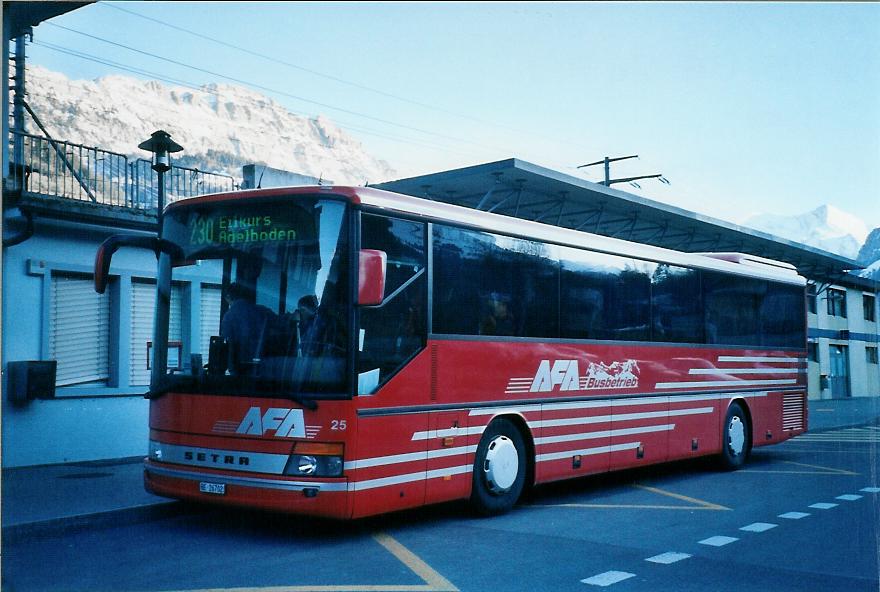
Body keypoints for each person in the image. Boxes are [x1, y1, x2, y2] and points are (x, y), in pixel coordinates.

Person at [220, 282, 277, 374]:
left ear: (228, 297)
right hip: (264, 365)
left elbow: (228, 344)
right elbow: (282, 326)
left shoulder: (229, 316)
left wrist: (231, 368)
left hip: (241, 367)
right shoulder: (263, 311)